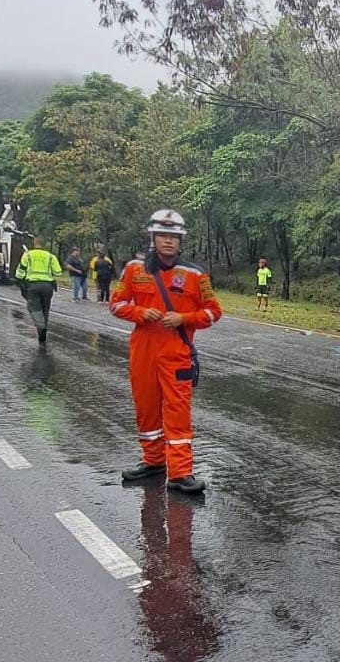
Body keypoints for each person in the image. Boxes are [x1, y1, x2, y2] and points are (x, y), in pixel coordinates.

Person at [110, 209, 222, 494]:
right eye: (163, 236)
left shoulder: (195, 274)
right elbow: (115, 304)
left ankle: (181, 473)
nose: (168, 242)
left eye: (174, 237)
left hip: (177, 353)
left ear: (180, 241)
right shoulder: (135, 269)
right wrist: (138, 312)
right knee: (146, 410)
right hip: (143, 351)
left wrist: (183, 319)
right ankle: (153, 461)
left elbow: (213, 312)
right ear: (153, 237)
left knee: (177, 413)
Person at [15, 236, 62, 345]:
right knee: (45, 309)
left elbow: (20, 271)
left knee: (35, 308)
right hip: (47, 287)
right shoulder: (50, 256)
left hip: (33, 286)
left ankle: (41, 328)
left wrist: (20, 280)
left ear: (34, 243)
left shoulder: (28, 255)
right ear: (44, 244)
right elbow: (58, 272)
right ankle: (43, 330)